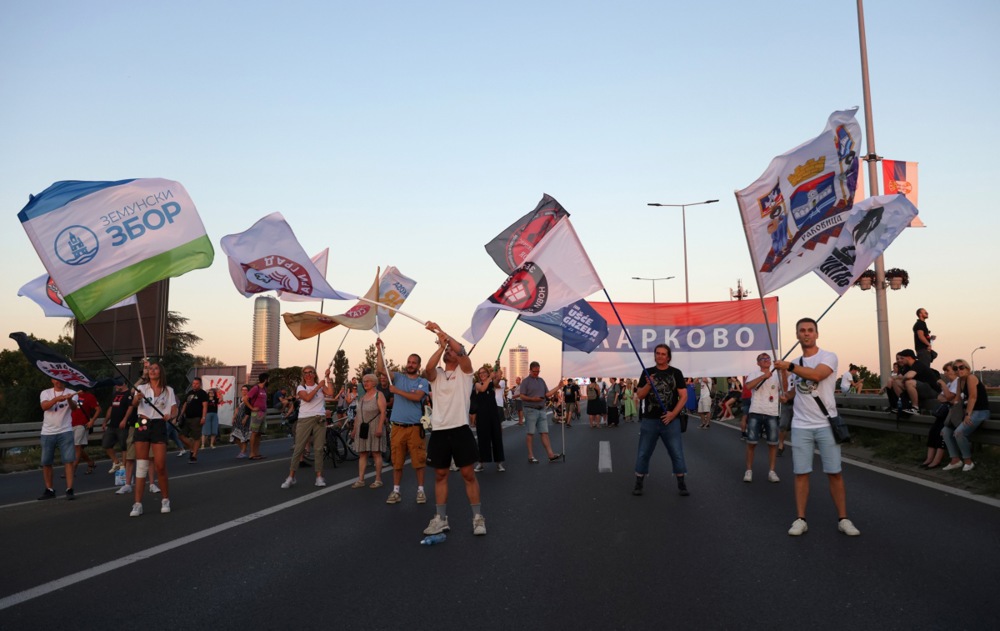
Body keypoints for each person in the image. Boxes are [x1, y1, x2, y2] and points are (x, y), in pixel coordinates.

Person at [773, 318, 860, 537]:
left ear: (817, 334)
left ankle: (843, 519)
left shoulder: (828, 357)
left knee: (834, 473)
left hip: (825, 424)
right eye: (802, 331)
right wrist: (786, 395)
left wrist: (790, 367)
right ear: (797, 335)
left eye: (810, 330)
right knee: (801, 474)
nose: (806, 334)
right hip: (801, 425)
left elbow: (817, 375)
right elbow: (794, 391)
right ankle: (800, 519)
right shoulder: (795, 362)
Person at [421, 322, 486, 537]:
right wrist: (441, 345)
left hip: (460, 429)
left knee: (468, 474)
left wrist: (444, 335)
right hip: (439, 430)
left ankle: (477, 517)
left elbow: (462, 352)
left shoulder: (465, 371)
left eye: (451, 350)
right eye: (447, 351)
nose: (450, 352)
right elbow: (427, 369)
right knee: (440, 474)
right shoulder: (437, 375)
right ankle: (441, 519)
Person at [376, 337, 431, 505]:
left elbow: (416, 398)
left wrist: (397, 391)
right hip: (398, 427)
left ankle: (420, 491)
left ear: (418, 366)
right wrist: (379, 349)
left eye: (414, 362)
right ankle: (396, 491)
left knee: (418, 461)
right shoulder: (398, 377)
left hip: (415, 428)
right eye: (409, 361)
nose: (411, 364)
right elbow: (380, 368)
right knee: (397, 461)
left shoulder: (422, 382)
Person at [632, 344, 689, 498]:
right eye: (658, 353)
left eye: (663, 354)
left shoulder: (676, 373)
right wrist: (649, 384)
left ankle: (681, 483)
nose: (660, 356)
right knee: (643, 452)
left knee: (676, 453)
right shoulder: (647, 372)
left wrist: (673, 414)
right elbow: (640, 395)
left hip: (670, 421)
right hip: (650, 420)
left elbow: (683, 396)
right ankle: (639, 482)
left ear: (668, 357)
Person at [128, 361, 178, 517]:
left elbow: (174, 408)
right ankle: (137, 504)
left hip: (159, 424)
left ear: (161, 372)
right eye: (150, 369)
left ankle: (165, 499)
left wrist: (171, 415)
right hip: (142, 423)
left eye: (156, 368)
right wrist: (137, 398)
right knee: (141, 465)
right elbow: (134, 403)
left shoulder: (168, 390)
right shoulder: (141, 388)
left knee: (160, 465)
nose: (152, 371)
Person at [282, 366, 334, 488]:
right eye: (305, 373)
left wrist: (327, 378)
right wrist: (318, 387)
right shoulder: (301, 387)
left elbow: (331, 393)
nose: (308, 375)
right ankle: (291, 476)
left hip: (319, 419)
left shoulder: (320, 386)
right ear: (303, 375)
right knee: (299, 448)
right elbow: (307, 398)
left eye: (310, 372)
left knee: (319, 449)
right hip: (305, 419)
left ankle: (319, 477)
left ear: (314, 374)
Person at [940, 359, 990, 472]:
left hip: (980, 412)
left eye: (961, 367)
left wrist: (967, 415)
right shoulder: (959, 381)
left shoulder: (971, 378)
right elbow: (957, 399)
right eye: (955, 368)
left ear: (967, 368)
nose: (959, 370)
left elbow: (973, 397)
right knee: (945, 431)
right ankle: (955, 460)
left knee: (959, 432)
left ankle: (968, 461)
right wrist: (953, 410)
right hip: (966, 411)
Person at [38, 378, 78, 500]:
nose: (58, 382)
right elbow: (44, 406)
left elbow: (74, 408)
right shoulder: (46, 392)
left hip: (65, 430)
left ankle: (69, 489)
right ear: (51, 380)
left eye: (61, 380)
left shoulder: (72, 392)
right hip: (48, 431)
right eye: (56, 380)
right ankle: (49, 489)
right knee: (46, 462)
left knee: (68, 461)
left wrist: (70, 399)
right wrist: (56, 399)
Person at [743, 353, 781, 483]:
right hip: (756, 411)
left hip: (772, 412)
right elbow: (748, 386)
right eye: (762, 359)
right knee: (751, 443)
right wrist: (763, 376)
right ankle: (748, 470)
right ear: (758, 362)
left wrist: (784, 370)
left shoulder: (777, 375)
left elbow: (785, 388)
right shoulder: (754, 373)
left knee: (772, 444)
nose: (766, 360)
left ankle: (772, 471)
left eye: (768, 358)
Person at [519, 361, 563, 463]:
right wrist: (532, 399)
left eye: (538, 371)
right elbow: (522, 396)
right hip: (530, 409)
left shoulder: (541, 381)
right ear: (530, 370)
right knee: (530, 433)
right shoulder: (525, 382)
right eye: (535, 371)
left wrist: (558, 387)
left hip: (541, 409)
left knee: (545, 432)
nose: (536, 373)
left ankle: (550, 454)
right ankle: (530, 456)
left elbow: (547, 394)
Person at [350, 372, 387, 489]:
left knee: (376, 453)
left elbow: (383, 412)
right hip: (362, 429)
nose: (365, 383)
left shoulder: (379, 395)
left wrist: (380, 427)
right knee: (363, 453)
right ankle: (361, 479)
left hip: (375, 426)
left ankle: (378, 479)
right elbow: (358, 415)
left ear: (374, 383)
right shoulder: (362, 397)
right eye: (364, 381)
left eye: (368, 381)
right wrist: (354, 429)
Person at [921, 361, 958, 469]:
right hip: (945, 412)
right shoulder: (950, 384)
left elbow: (950, 397)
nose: (945, 373)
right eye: (944, 371)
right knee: (933, 432)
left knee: (942, 434)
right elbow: (940, 397)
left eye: (947, 370)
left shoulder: (957, 382)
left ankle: (937, 460)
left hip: (953, 413)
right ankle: (929, 458)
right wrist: (947, 396)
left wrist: (943, 386)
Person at [472, 365, 506, 472]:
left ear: (487, 373)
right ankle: (481, 462)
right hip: (482, 416)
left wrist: (496, 372)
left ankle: (499, 463)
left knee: (497, 438)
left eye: (484, 373)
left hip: (493, 414)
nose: (482, 375)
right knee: (482, 439)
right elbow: (482, 389)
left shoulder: (492, 384)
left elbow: (496, 382)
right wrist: (490, 378)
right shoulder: (477, 384)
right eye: (480, 373)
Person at [892, 349, 941, 414]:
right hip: (921, 389)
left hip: (932, 391)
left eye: (902, 358)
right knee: (896, 382)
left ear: (908, 357)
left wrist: (903, 379)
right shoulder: (907, 367)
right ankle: (905, 405)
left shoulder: (918, 364)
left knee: (909, 382)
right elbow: (898, 377)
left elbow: (909, 376)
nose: (900, 360)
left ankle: (915, 408)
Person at [70, 385, 100, 476]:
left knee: (77, 447)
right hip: (70, 424)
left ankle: (72, 470)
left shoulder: (89, 397)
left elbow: (98, 409)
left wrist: (92, 420)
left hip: (82, 424)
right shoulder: (72, 395)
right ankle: (90, 462)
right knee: (75, 448)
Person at [102, 378, 129, 473]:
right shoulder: (115, 395)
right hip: (112, 424)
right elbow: (110, 408)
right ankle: (116, 462)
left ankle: (124, 466)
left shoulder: (129, 394)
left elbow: (131, 408)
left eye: (118, 384)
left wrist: (125, 419)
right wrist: (105, 421)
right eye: (116, 385)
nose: (116, 386)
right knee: (106, 444)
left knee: (123, 446)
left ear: (124, 384)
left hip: (123, 425)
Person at [179, 377, 208, 463]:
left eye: (196, 384)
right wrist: (181, 415)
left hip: (197, 418)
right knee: (181, 435)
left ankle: (194, 455)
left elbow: (205, 406)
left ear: (200, 384)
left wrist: (203, 417)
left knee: (196, 437)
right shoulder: (189, 393)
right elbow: (185, 404)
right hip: (187, 418)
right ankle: (192, 448)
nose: (194, 385)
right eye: (193, 383)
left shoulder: (203, 393)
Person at [247, 373, 269, 459]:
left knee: (259, 434)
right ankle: (252, 453)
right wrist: (252, 408)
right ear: (265, 379)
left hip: (263, 413)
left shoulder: (264, 389)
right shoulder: (256, 388)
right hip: (256, 413)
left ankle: (256, 452)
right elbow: (245, 399)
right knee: (254, 432)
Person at [231, 385, 252, 458]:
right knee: (235, 435)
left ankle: (243, 451)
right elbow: (237, 408)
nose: (244, 391)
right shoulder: (240, 399)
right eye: (242, 390)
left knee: (244, 436)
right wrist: (234, 417)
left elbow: (249, 410)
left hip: (245, 419)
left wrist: (245, 418)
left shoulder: (249, 399)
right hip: (238, 419)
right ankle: (244, 449)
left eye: (245, 390)